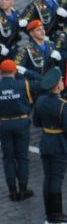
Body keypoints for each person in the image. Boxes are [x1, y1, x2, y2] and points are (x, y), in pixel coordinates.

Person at [35, 76, 67, 224]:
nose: (63, 82)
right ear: (57, 87)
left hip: (46, 141)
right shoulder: (64, 105)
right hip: (59, 144)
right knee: (56, 179)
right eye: (61, 80)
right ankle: (56, 214)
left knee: (48, 177)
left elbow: (36, 122)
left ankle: (49, 212)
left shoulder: (40, 100)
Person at [1, 58, 37, 202]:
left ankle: (12, 191)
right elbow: (43, 82)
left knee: (8, 158)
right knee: (22, 157)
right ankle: (23, 189)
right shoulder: (24, 84)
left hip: (3, 124)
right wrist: (26, 72)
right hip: (21, 122)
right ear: (15, 71)